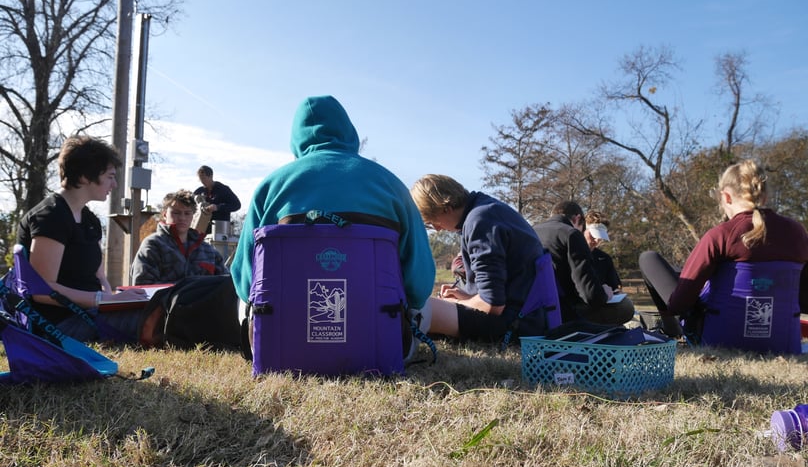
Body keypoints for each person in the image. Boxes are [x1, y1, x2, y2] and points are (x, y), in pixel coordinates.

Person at [230, 95, 435, 314]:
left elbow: (245, 281)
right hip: (383, 338)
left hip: (283, 338)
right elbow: (420, 285)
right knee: (424, 307)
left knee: (244, 302)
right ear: (349, 132)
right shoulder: (391, 185)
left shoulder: (271, 186)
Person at [639, 158, 808, 339]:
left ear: (726, 196)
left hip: (721, 337)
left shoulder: (720, 235)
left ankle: (670, 330)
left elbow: (679, 305)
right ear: (765, 195)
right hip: (783, 338)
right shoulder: (797, 232)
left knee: (648, 259)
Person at [16, 135, 147, 343]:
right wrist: (104, 300)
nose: (114, 184)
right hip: (58, 324)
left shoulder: (89, 219)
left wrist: (117, 300)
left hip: (89, 314)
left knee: (157, 308)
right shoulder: (51, 217)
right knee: (155, 319)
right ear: (86, 176)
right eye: (110, 176)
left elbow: (100, 277)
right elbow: (42, 290)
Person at [409, 174, 546, 341]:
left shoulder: (480, 221)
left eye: (431, 222)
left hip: (514, 325)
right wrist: (467, 297)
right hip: (527, 315)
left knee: (421, 308)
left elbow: (492, 306)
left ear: (445, 207)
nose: (437, 229)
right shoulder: (487, 209)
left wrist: (454, 305)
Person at [534, 201, 635, 325]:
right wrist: (603, 294)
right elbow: (591, 296)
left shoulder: (532, 231)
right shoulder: (571, 234)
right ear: (578, 219)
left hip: (534, 309)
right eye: (592, 235)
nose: (597, 241)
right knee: (626, 307)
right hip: (562, 312)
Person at [131, 189, 228, 285]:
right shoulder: (153, 246)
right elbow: (143, 287)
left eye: (187, 213)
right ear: (165, 214)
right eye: (176, 213)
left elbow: (226, 284)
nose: (182, 218)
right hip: (165, 300)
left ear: (193, 216)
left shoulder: (207, 250)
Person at [193, 165, 241, 232]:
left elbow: (236, 205)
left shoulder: (223, 189)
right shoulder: (199, 191)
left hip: (220, 230)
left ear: (211, 176)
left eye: (204, 178)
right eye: (200, 179)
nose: (202, 181)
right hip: (201, 230)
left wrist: (218, 207)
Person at [584, 210, 622, 292]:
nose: (597, 240)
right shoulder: (571, 255)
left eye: (600, 236)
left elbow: (615, 287)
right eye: (593, 235)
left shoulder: (605, 258)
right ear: (583, 230)